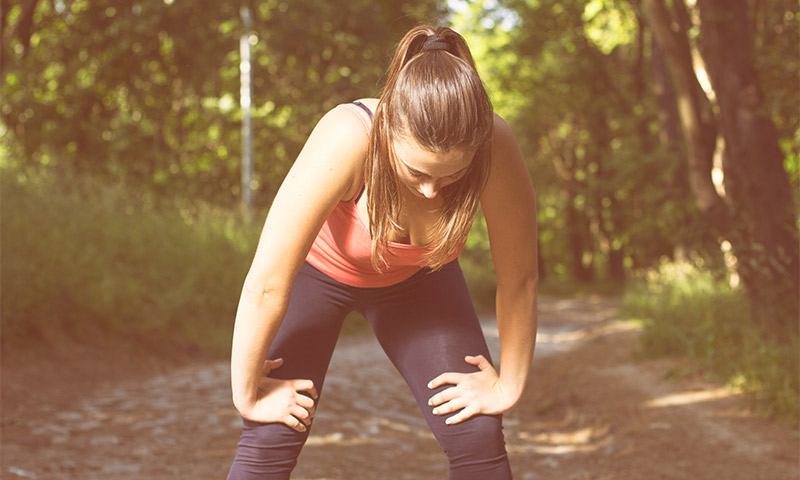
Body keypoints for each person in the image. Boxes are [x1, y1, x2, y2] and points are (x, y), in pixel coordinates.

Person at [226, 25, 538, 480]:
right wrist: (247, 395)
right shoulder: (348, 136)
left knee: (477, 432)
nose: (433, 192)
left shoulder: (494, 144)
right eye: (417, 171)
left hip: (420, 284)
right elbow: (267, 282)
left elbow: (520, 279)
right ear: (389, 127)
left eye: (451, 176)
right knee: (271, 431)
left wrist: (509, 384)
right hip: (318, 277)